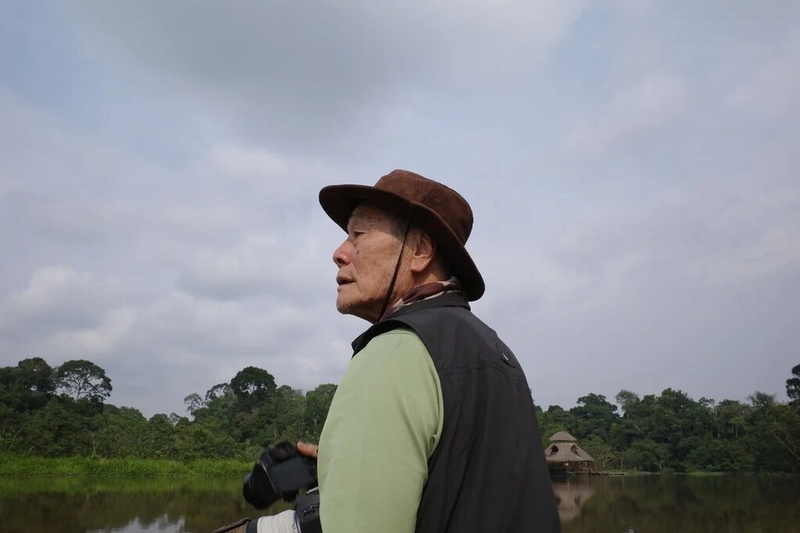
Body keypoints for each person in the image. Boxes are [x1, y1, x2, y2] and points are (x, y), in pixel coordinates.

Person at [216, 170, 560, 533]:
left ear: (420, 251)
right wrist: (350, 468)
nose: (339, 253)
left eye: (359, 235)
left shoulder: (394, 349)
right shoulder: (499, 354)